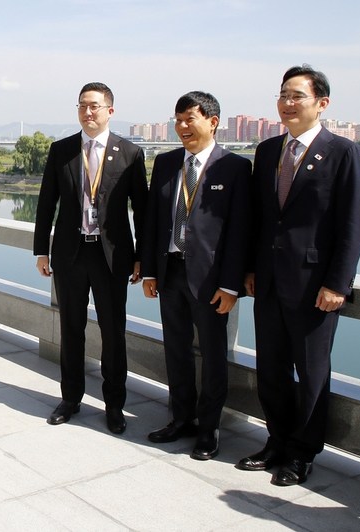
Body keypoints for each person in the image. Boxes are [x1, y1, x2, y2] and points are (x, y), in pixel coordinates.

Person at [238, 65, 360, 486]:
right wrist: (251, 269)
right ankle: (275, 441)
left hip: (315, 287)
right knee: (271, 368)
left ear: (322, 104)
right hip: (269, 282)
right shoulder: (268, 150)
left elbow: (354, 223)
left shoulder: (344, 152)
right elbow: (259, 221)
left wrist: (338, 283)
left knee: (312, 372)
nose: (287, 103)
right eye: (283, 95)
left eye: (297, 96)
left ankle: (301, 453)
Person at [141, 91, 251, 460]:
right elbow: (153, 222)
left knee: (214, 356)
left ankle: (209, 429)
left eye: (190, 119)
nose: (182, 126)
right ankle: (181, 419)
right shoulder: (166, 162)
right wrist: (150, 272)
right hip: (170, 272)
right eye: (178, 119)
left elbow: (240, 232)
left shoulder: (234, 168)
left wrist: (231, 284)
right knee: (176, 352)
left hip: (211, 281)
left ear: (213, 121)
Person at [33, 82, 148, 434]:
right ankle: (71, 398)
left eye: (95, 106)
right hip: (71, 252)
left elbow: (141, 210)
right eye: (83, 105)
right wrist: (41, 249)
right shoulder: (62, 150)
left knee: (114, 332)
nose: (88, 112)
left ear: (110, 111)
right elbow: (46, 203)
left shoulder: (130, 153)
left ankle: (114, 405)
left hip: (111, 256)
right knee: (71, 328)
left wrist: (142, 257)